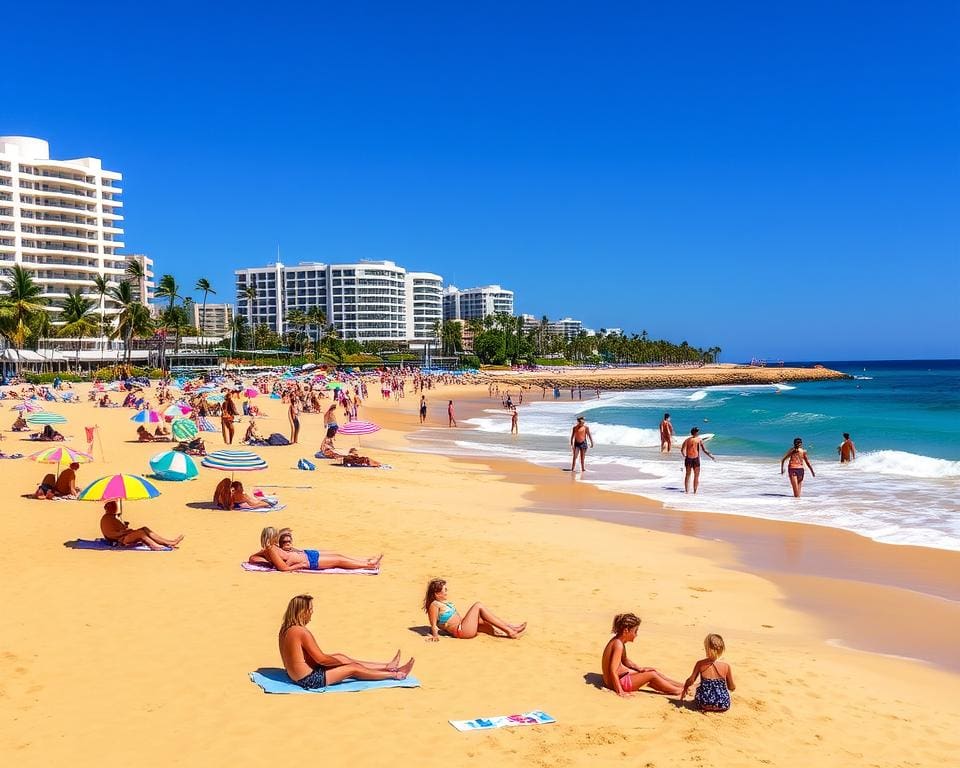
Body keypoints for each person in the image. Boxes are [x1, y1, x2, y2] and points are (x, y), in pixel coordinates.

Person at [279, 594, 414, 689]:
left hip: (295, 675)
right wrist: (343, 663)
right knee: (352, 668)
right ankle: (394, 674)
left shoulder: (285, 629)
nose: (311, 613)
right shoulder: (301, 632)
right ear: (302, 612)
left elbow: (298, 657)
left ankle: (387, 665)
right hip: (308, 680)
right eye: (310, 610)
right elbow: (321, 660)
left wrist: (339, 660)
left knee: (340, 656)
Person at [601, 613, 683, 696]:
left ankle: (681, 686)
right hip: (618, 683)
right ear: (626, 631)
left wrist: (640, 669)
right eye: (635, 631)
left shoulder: (618, 641)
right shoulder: (618, 645)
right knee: (651, 674)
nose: (636, 635)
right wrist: (620, 691)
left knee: (651, 671)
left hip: (620, 678)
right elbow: (613, 670)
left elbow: (625, 660)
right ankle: (677, 691)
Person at [424, 578, 526, 641]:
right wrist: (435, 636)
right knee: (478, 605)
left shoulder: (442, 603)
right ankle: (510, 631)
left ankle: (511, 628)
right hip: (461, 631)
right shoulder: (434, 605)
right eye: (444, 590)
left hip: (463, 627)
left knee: (482, 618)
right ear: (437, 594)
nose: (447, 592)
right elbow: (433, 624)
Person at [249, 527, 382, 571]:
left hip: (307, 556)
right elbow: (283, 568)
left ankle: (366, 560)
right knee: (338, 560)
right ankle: (368, 565)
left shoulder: (270, 549)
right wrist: (299, 565)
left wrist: (266, 562)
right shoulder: (271, 549)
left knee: (338, 556)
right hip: (308, 561)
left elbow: (253, 558)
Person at [678, 633, 736, 712]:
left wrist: (685, 687)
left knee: (700, 690)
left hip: (703, 703)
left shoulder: (700, 664)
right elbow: (731, 687)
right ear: (721, 650)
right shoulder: (726, 666)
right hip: (723, 704)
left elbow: (691, 680)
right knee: (725, 693)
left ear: (707, 648)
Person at [99, 500, 183, 550]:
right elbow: (111, 534)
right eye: (114, 506)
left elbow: (118, 529)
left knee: (145, 529)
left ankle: (169, 542)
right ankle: (155, 546)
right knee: (140, 533)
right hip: (120, 540)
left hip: (123, 536)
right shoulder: (107, 519)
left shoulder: (113, 517)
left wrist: (124, 526)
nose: (116, 508)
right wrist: (125, 532)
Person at [681, 427, 715, 494]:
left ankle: (687, 491)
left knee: (688, 475)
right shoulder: (699, 440)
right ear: (696, 432)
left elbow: (682, 450)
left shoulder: (687, 440)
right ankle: (694, 492)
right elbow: (704, 450)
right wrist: (711, 456)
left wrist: (685, 456)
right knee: (695, 476)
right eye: (697, 432)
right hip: (695, 458)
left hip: (689, 458)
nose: (698, 433)